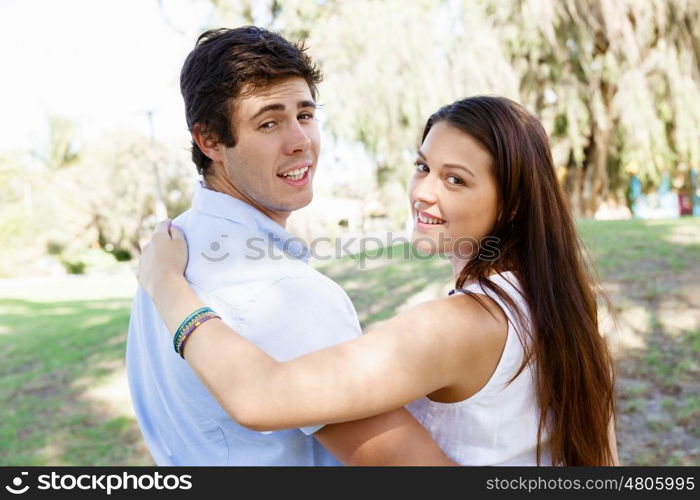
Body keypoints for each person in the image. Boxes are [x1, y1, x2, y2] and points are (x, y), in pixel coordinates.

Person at [138, 95, 620, 466]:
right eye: (423, 167)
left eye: (456, 180)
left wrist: (168, 287)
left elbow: (259, 395)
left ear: (512, 204)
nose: (424, 192)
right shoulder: (562, 300)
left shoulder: (458, 324)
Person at [126, 26, 455, 466]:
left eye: (304, 114)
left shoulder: (169, 251)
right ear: (209, 141)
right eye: (268, 122)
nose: (300, 141)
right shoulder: (284, 293)